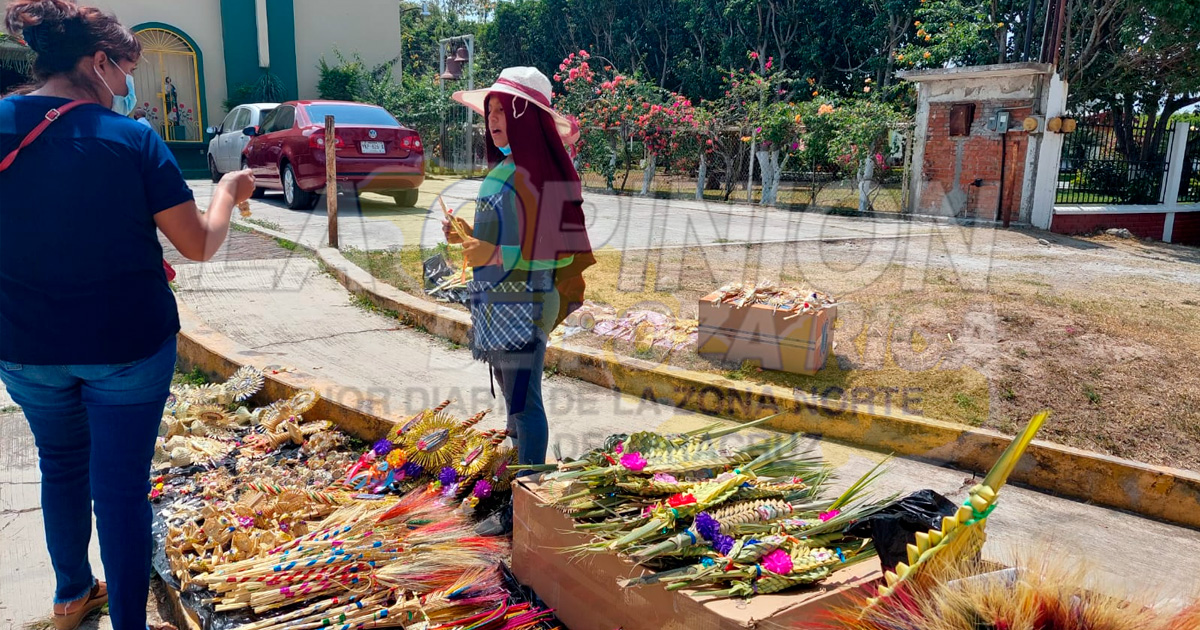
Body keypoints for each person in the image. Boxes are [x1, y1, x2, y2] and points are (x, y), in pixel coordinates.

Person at [0, 1, 255, 629]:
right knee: (119, 487)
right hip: (127, 345)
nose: (127, 86)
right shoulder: (132, 138)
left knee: (61, 464)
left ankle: (70, 596)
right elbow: (197, 244)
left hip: (25, 345)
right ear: (99, 63)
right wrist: (226, 192)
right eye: (127, 71)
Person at [446, 67, 594, 532]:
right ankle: (517, 485)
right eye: (489, 111)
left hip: (525, 304)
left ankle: (525, 508)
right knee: (514, 402)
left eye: (503, 110)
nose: (492, 119)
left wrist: (491, 252)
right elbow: (501, 235)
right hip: (500, 302)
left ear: (526, 118)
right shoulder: (504, 170)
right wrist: (468, 236)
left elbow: (544, 251)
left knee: (526, 404)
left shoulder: (536, 177)